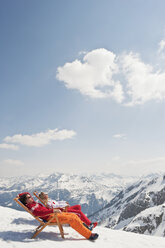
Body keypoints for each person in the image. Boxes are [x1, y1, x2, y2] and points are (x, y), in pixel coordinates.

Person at [19, 192, 99, 241]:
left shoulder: (34, 204)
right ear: (25, 201)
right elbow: (40, 213)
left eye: (30, 196)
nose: (31, 198)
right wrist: (52, 210)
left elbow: (45, 209)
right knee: (72, 219)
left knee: (74, 215)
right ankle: (88, 235)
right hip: (51, 217)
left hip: (53, 214)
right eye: (28, 197)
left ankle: (86, 229)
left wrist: (57, 209)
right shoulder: (32, 207)